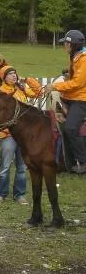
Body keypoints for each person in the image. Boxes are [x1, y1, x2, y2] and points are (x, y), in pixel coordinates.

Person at [0, 65, 42, 204]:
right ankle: (1, 194)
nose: (14, 76)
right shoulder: (1, 92)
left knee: (22, 167)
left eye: (15, 73)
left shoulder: (21, 88)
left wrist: (27, 80)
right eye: (10, 74)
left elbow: (39, 93)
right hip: (8, 135)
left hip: (24, 135)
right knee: (5, 166)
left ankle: (19, 195)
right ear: (4, 77)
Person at [44, 29, 86, 174]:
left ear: (73, 44)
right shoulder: (75, 57)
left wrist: (55, 86)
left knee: (70, 128)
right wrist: (69, 73)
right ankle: (66, 160)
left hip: (81, 99)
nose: (64, 46)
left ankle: (83, 160)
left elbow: (77, 84)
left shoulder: (84, 59)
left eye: (66, 43)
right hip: (71, 97)